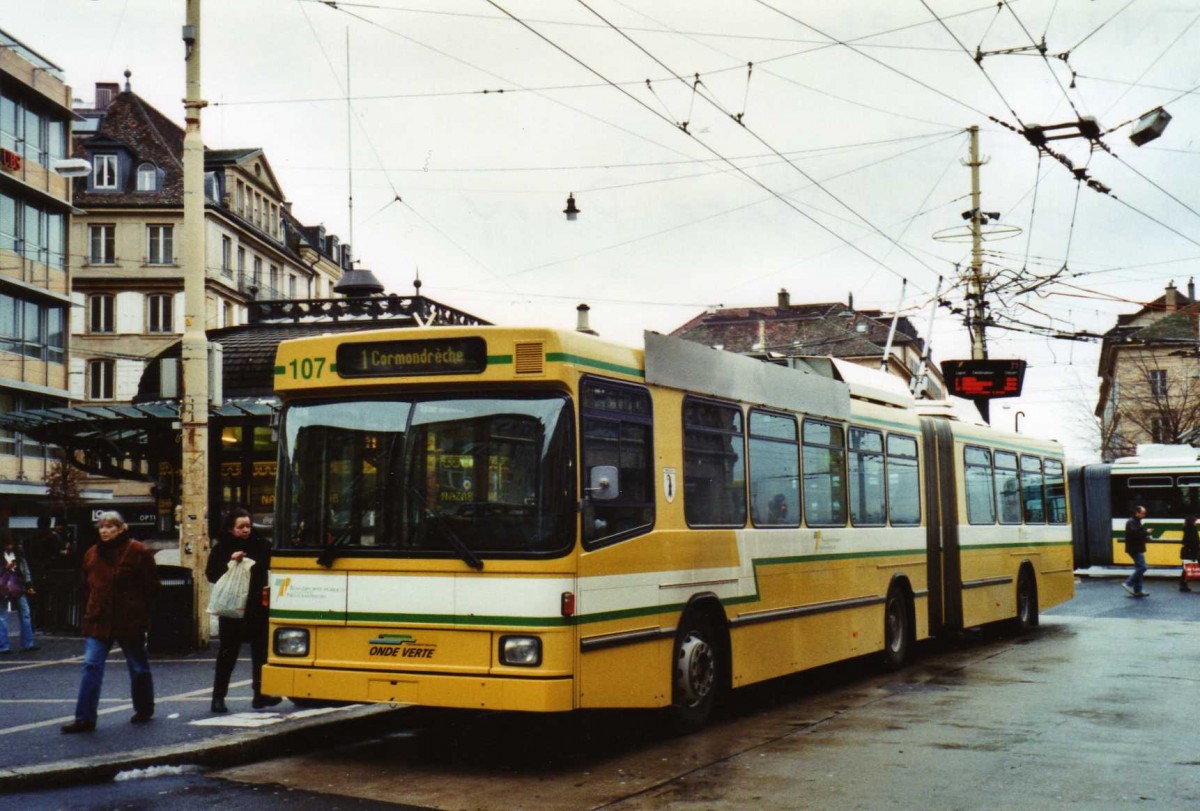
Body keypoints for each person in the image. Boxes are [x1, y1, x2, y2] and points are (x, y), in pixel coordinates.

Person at [61, 511, 159, 733]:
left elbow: (152, 586)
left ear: (121, 528)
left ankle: (144, 707)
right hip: (99, 619)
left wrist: (143, 614)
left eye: (109, 526)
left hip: (129, 619)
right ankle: (84, 718)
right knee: (91, 665)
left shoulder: (138, 551)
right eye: (101, 527)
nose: (104, 531)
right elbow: (87, 585)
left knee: (138, 667)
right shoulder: (92, 554)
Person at [206, 508, 281, 712]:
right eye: (241, 527)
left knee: (260, 653)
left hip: (256, 607)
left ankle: (260, 694)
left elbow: (273, 562)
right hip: (232, 610)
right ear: (231, 529)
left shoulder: (261, 545)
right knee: (227, 654)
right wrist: (231, 562)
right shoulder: (221, 548)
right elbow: (211, 574)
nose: (246, 530)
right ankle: (218, 698)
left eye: (248, 526)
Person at [1, 536, 37, 653]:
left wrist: (29, 585)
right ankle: (4, 646)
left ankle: (28, 643)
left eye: (11, 544)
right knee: (2, 617)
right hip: (3, 587)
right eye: (7, 544)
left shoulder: (19, 554)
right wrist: (4, 568)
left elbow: (25, 570)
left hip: (17, 585)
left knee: (25, 613)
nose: (10, 547)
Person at [1122, 505, 1151, 598]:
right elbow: (1135, 534)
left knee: (1139, 567)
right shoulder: (1131, 522)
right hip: (1134, 548)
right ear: (1136, 513)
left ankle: (1138, 590)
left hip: (1137, 548)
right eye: (1142, 513)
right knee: (1143, 567)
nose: (1144, 515)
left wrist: (1146, 535)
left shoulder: (1136, 522)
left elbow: (1138, 534)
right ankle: (1128, 583)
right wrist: (1146, 532)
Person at [1180, 514, 1199, 593]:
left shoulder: (1186, 528)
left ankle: (1183, 583)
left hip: (1187, 551)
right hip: (1192, 551)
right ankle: (1183, 583)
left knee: (1186, 567)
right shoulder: (1192, 529)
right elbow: (1194, 540)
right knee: (1188, 566)